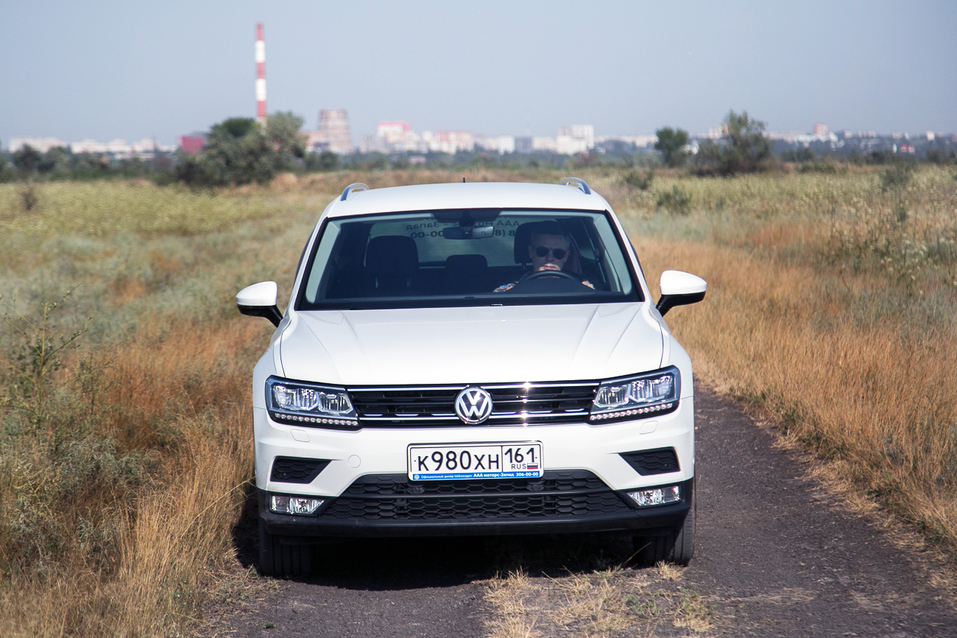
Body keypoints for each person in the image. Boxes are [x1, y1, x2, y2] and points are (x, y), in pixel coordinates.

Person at [494, 221, 593, 292]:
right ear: (531, 252)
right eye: (542, 251)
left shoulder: (580, 289)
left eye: (558, 253)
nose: (550, 258)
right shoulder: (509, 292)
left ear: (566, 256)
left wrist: (590, 293)